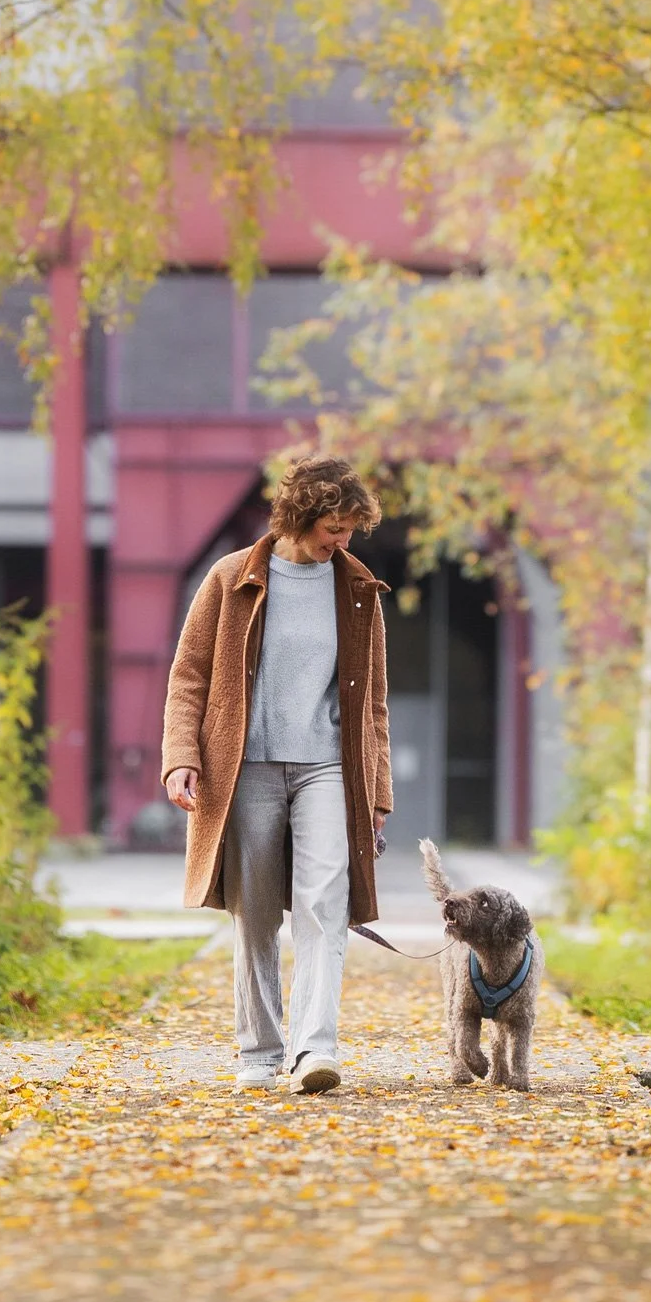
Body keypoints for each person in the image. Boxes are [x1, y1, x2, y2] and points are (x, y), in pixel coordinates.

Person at [161, 456, 392, 1094]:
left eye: (350, 530)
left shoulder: (358, 589)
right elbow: (188, 677)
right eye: (334, 528)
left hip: (328, 767)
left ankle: (315, 1049)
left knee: (325, 903)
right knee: (256, 912)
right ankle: (261, 1053)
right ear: (300, 515)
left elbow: (373, 703)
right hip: (246, 768)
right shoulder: (231, 577)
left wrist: (377, 792)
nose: (342, 541)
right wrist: (181, 756)